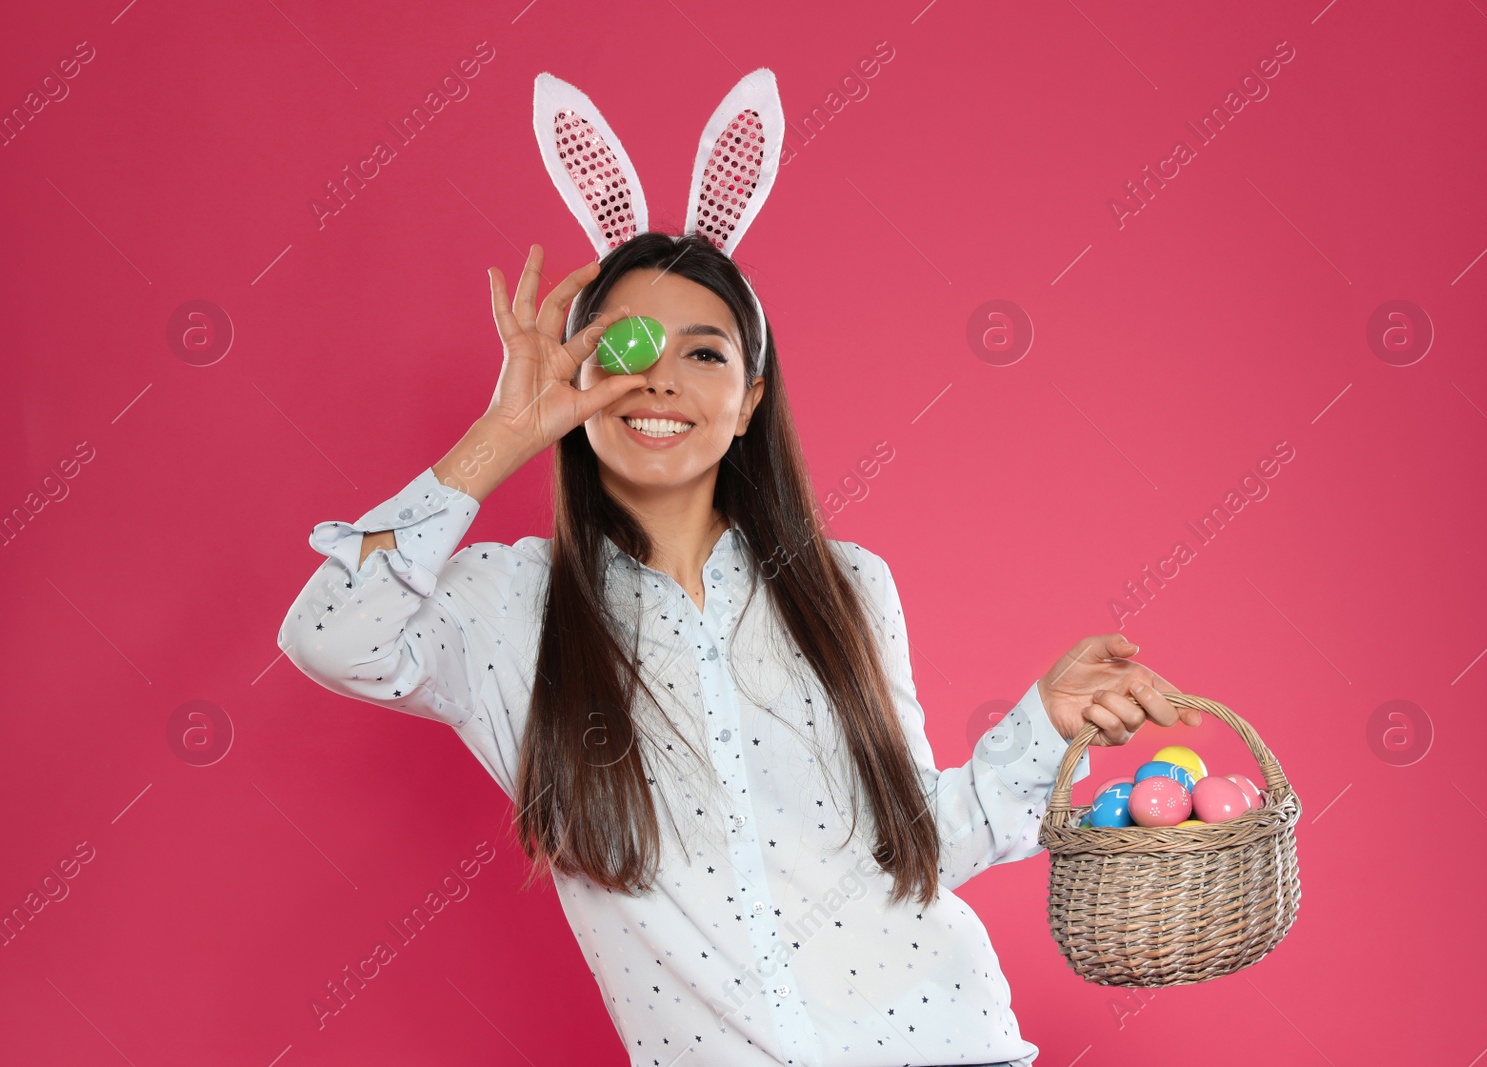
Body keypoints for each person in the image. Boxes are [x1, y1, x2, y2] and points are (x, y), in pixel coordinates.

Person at [277, 234, 1200, 1065]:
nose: (662, 379)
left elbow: (911, 846)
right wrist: (504, 433)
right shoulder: (507, 604)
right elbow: (327, 634)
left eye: (705, 353)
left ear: (750, 399)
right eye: (628, 348)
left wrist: (1041, 725)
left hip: (950, 1043)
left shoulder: (848, 586)